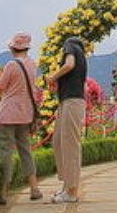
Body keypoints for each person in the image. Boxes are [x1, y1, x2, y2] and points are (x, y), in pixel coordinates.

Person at [0, 32, 43, 205]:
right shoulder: (32, 65)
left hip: (8, 115)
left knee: (5, 153)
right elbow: (19, 83)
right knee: (26, 151)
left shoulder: (11, 64)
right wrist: (0, 73)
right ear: (27, 47)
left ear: (12, 48)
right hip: (25, 115)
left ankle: (2, 192)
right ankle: (34, 188)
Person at [45, 36, 87, 204]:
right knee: (58, 142)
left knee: (69, 145)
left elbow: (69, 64)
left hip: (72, 101)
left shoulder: (69, 45)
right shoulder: (80, 53)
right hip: (67, 101)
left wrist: (53, 77)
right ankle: (67, 185)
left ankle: (71, 191)